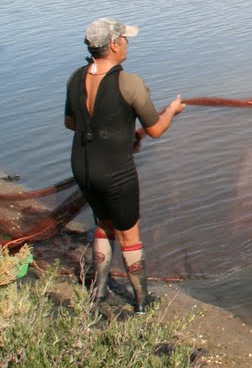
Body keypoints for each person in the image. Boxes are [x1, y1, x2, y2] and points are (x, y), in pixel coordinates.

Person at [64, 17, 185, 313]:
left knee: (103, 224)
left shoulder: (76, 77)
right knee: (129, 234)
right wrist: (172, 111)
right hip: (116, 172)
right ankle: (142, 301)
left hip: (82, 166)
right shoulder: (129, 82)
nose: (128, 44)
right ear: (115, 45)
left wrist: (116, 131)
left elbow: (71, 123)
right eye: (126, 39)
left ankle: (100, 292)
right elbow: (155, 129)